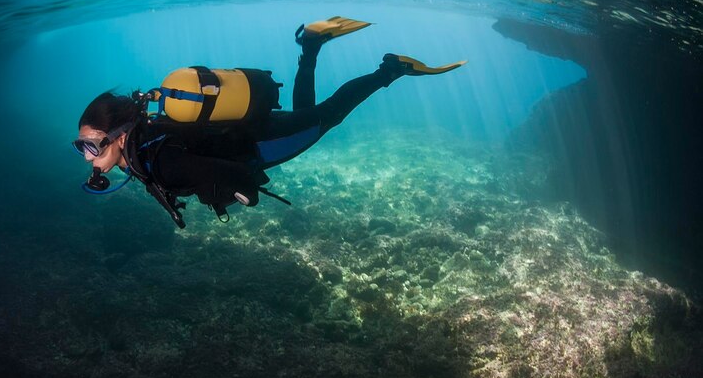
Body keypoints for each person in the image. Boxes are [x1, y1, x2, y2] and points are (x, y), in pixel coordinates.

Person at [73, 17, 466, 228]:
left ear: (121, 136)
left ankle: (390, 70)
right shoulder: (148, 143)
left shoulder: (157, 160)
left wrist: (235, 193)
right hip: (251, 132)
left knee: (327, 116)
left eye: (93, 145)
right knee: (307, 112)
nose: (89, 157)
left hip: (261, 145)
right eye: (83, 147)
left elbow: (242, 182)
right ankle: (310, 47)